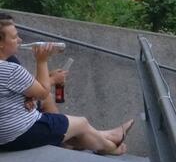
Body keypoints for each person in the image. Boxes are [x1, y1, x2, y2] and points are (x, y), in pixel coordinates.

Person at [0, 28, 131, 155]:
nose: (20, 40)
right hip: (12, 135)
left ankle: (97, 137)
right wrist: (42, 61)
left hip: (8, 126)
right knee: (81, 123)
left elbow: (15, 87)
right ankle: (110, 147)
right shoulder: (10, 68)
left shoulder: (9, 64)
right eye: (14, 37)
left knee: (49, 101)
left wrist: (30, 95)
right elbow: (41, 92)